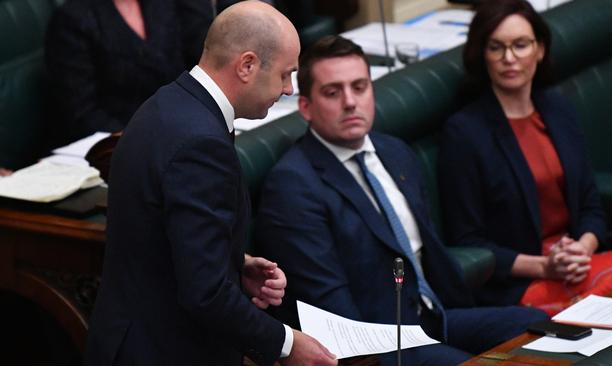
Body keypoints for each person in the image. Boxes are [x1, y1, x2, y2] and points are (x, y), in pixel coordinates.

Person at [254, 35, 548, 366]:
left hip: (434, 318)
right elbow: (330, 304)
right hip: (379, 343)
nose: (350, 102)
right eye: (333, 92)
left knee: (535, 325)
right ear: (306, 107)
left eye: (360, 87)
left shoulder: (395, 152)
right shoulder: (293, 185)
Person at [84, 2, 337, 366]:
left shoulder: (169, 103)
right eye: (285, 74)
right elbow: (205, 292)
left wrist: (235, 262)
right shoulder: (199, 142)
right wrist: (287, 344)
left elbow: (166, 236)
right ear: (247, 65)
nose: (287, 89)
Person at [438, 0, 612, 315]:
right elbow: (469, 241)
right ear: (482, 55)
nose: (509, 58)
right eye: (496, 48)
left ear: (540, 49)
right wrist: (544, 267)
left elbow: (591, 205)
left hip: (578, 264)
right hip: (521, 283)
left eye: (520, 45)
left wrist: (582, 248)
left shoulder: (557, 109)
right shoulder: (464, 133)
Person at [45, 0, 212, 145]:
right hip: (111, 146)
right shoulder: (72, 18)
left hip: (174, 131)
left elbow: (194, 66)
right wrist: (143, 139)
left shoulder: (163, 5)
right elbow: (82, 113)